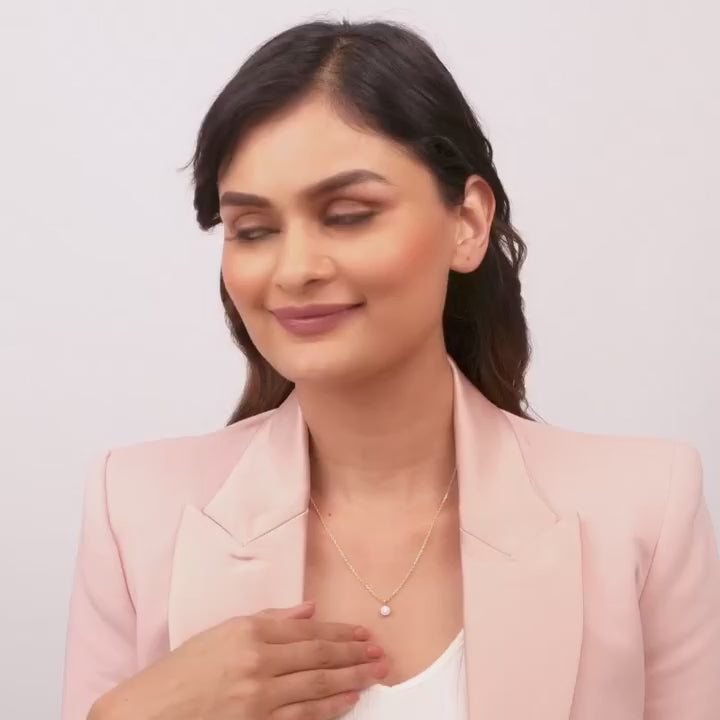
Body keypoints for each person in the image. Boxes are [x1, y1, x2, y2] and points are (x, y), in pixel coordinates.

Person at [61, 18, 720, 720]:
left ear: (468, 222)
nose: (295, 269)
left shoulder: (642, 509)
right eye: (253, 230)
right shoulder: (136, 510)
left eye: (348, 214)